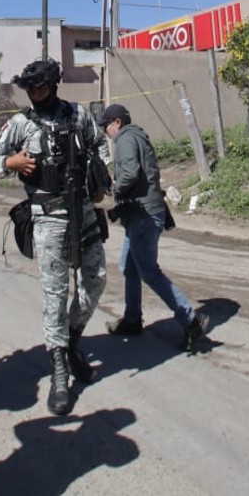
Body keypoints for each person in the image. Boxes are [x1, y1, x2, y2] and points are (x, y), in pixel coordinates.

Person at [0, 58, 108, 416]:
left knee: (95, 280)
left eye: (40, 87)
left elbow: (100, 145)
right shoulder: (20, 123)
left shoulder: (78, 114)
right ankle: (59, 367)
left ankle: (71, 342)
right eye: (29, 88)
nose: (35, 93)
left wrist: (101, 180)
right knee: (55, 294)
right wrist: (10, 163)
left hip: (83, 210)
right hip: (48, 216)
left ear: (54, 85)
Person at [101, 103, 211, 353]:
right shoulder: (139, 136)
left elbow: (130, 173)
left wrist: (114, 190)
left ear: (117, 122)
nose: (105, 132)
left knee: (149, 272)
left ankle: (191, 320)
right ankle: (132, 320)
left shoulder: (125, 139)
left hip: (143, 215)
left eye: (106, 126)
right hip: (144, 213)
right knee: (129, 266)